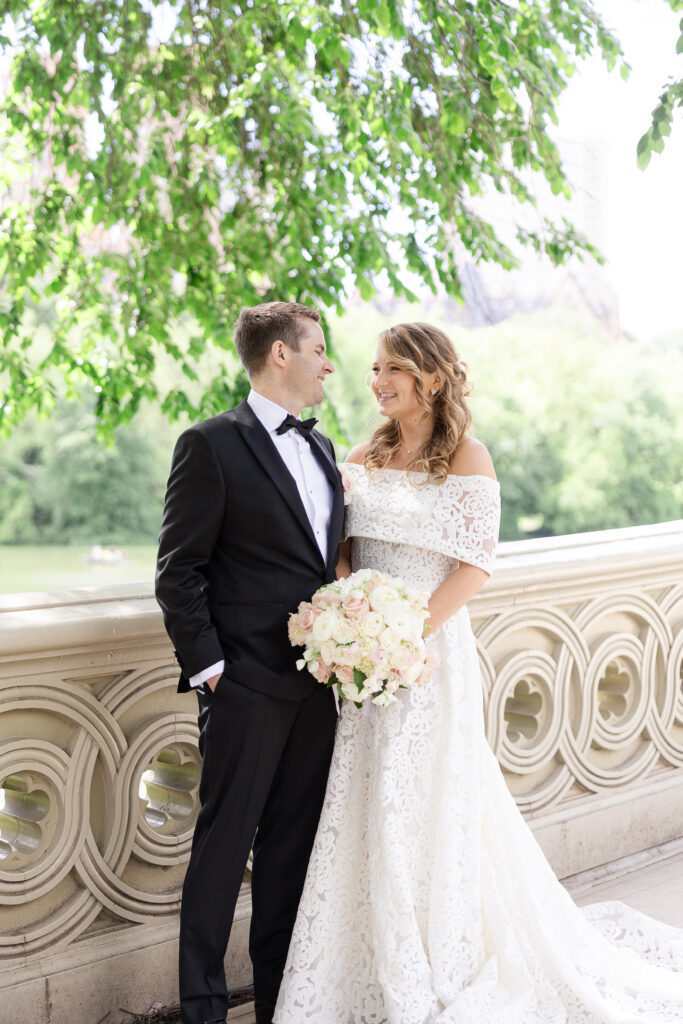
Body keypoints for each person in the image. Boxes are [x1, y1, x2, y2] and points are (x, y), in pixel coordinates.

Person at [274, 322, 683, 1023]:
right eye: (373, 369)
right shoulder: (359, 453)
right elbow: (339, 550)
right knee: (366, 800)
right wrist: (352, 611)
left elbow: (474, 566)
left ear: (431, 377)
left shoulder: (467, 457)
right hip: (361, 661)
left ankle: (439, 953)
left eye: (391, 370)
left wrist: (402, 637)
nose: (375, 382)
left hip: (428, 656)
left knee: (426, 802)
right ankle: (366, 959)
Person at [155, 301, 345, 1024]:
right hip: (242, 688)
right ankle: (202, 1009)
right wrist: (213, 674)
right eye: (319, 349)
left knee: (291, 858)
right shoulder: (210, 444)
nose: (330, 364)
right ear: (280, 355)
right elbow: (179, 571)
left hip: (315, 688)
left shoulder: (324, 450)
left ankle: (277, 1005)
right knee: (220, 851)